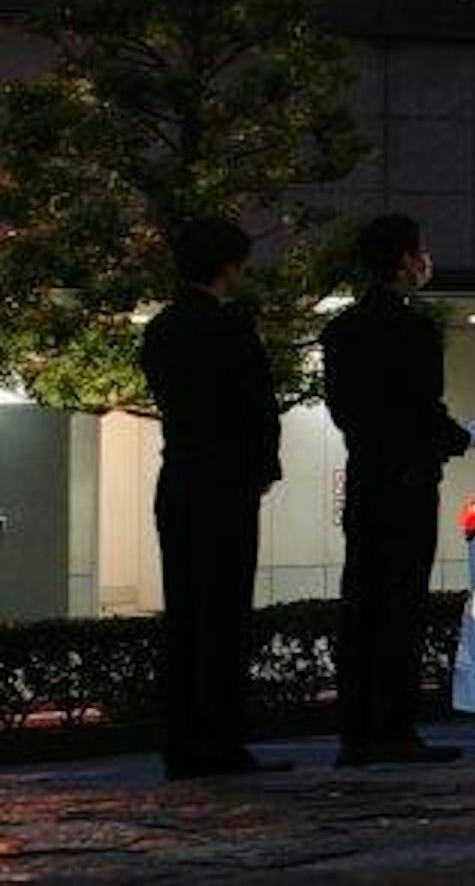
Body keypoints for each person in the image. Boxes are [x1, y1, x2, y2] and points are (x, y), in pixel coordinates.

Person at [319, 212, 471, 767]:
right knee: (402, 604)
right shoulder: (415, 330)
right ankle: (394, 727)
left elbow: (345, 409)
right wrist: (451, 438)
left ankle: (354, 732)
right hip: (409, 480)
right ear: (406, 259)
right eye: (420, 251)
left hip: (365, 477)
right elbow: (424, 409)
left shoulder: (340, 331)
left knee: (358, 601)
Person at [141, 215, 279, 782]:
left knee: (184, 612)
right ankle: (222, 741)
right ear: (228, 265)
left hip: (179, 480)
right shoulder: (232, 329)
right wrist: (261, 467)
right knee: (224, 615)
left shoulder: (162, 329)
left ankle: (182, 744)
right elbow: (255, 407)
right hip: (226, 486)